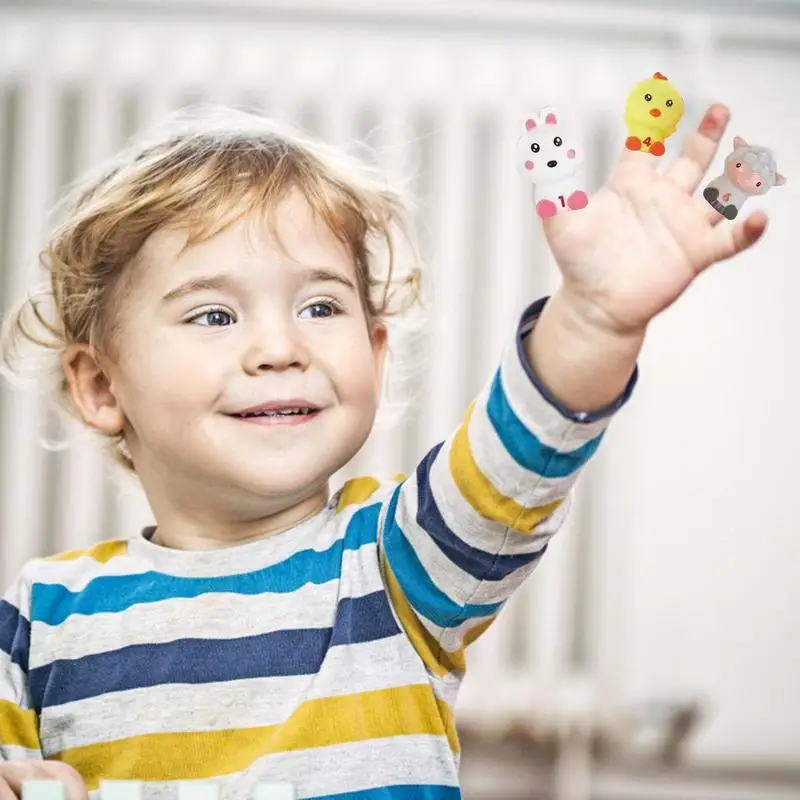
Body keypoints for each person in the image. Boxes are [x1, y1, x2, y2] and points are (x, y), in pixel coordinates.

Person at [0, 102, 768, 800]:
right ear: (101, 386)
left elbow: (520, 449)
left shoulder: (399, 561)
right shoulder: (39, 621)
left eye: (320, 305)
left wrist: (596, 322)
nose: (279, 345)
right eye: (212, 316)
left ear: (374, 351)